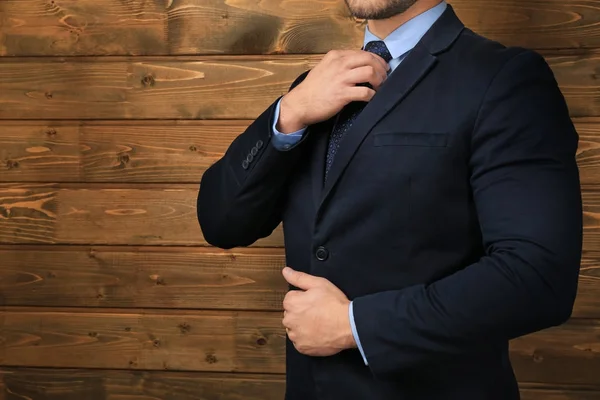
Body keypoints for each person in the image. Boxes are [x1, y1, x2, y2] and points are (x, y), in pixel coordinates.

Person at [196, 0, 583, 398]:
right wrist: (289, 112)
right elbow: (221, 222)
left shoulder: (504, 78)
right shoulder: (311, 90)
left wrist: (355, 325)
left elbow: (538, 277)